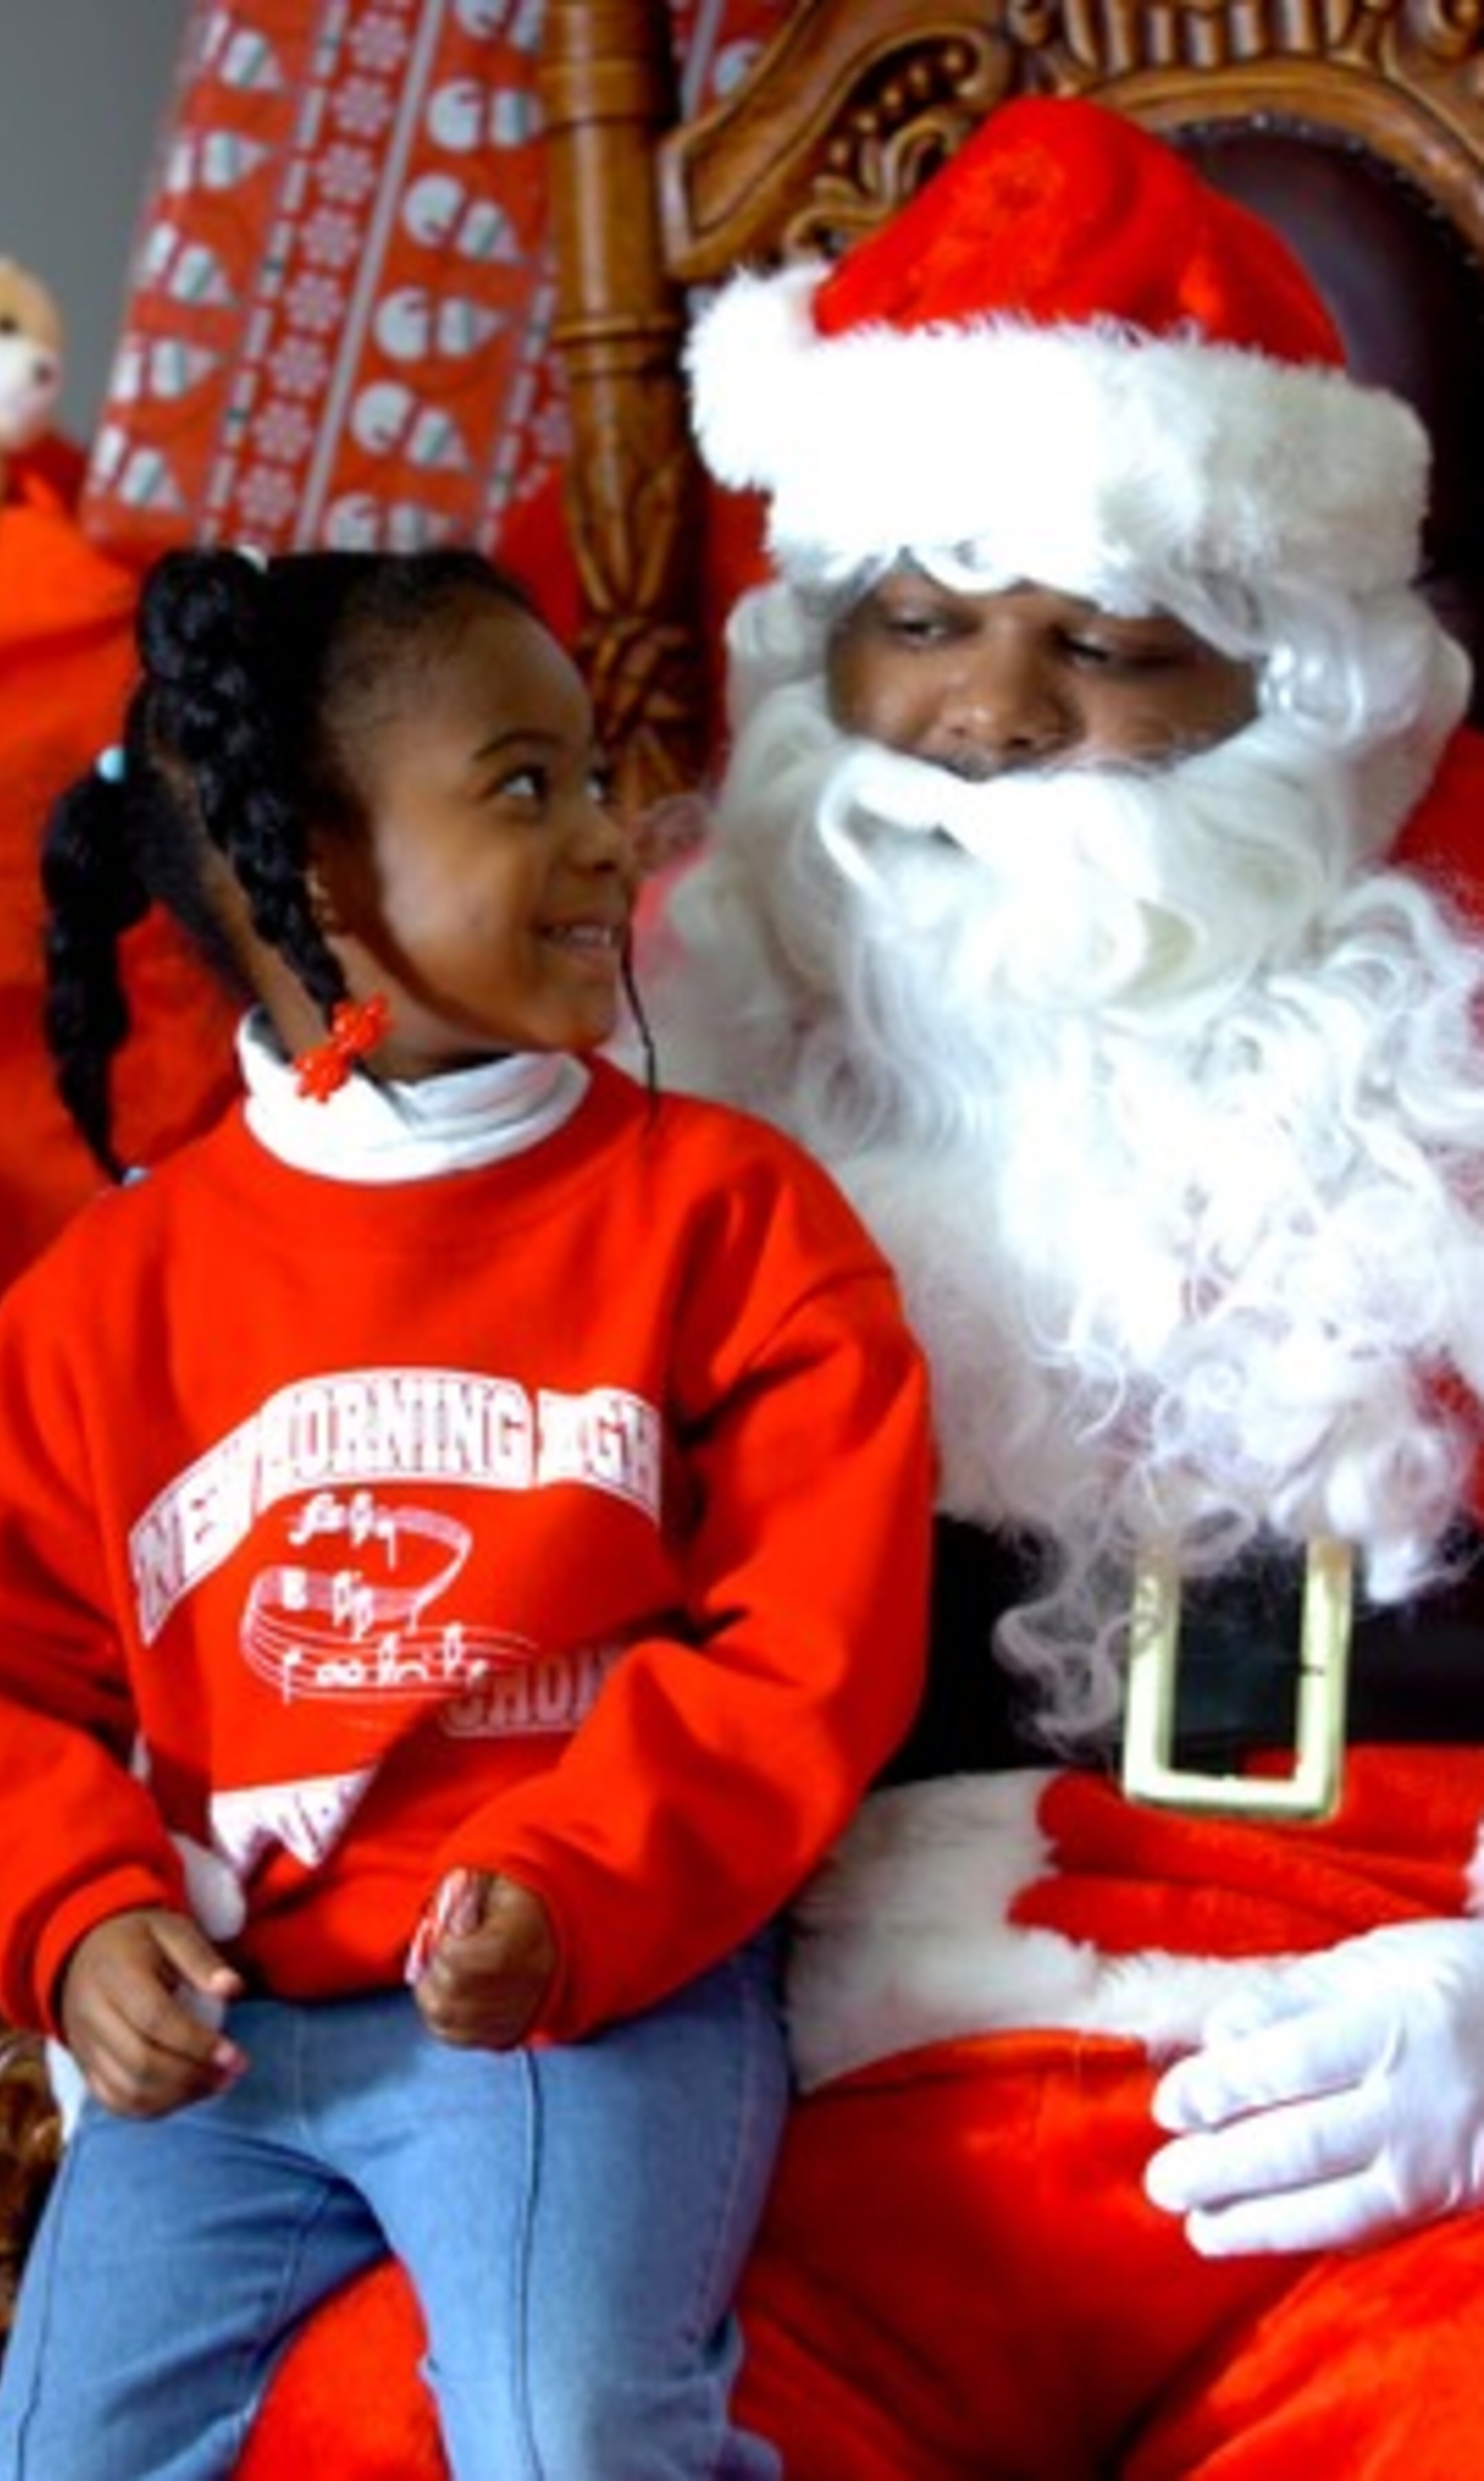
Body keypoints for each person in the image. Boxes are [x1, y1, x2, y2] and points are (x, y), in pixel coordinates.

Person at [0, 542, 933, 2480]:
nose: (607, 838)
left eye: (598, 778)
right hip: (236, 2038)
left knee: (571, 2424)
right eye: (529, 788)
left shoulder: (729, 1218)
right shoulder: (122, 1286)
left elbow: (812, 1636)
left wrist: (580, 1885)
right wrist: (80, 1920)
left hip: (575, 2000)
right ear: (318, 871)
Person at [631, 92, 1484, 2474]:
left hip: (1396, 2115)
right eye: (915, 624)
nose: (990, 721)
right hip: (811, 2133)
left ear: (1307, 698)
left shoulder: (1455, 1085)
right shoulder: (661, 1080)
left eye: (1105, 648)